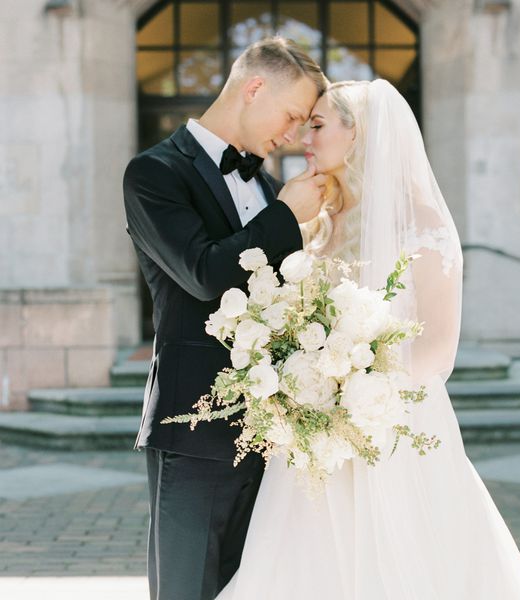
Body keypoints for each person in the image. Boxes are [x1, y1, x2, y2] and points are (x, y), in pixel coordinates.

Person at [215, 80, 520, 599]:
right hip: (312, 437)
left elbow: (437, 347)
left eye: (318, 126)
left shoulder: (424, 229)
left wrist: (352, 395)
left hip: (392, 429)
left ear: (358, 134)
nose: (304, 139)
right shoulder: (318, 223)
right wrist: (303, 385)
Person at [122, 37, 328, 600]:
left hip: (269, 430)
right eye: (291, 117)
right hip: (194, 428)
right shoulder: (154, 173)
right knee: (188, 590)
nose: (290, 136)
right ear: (254, 88)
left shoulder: (261, 184)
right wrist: (286, 216)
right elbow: (204, 274)